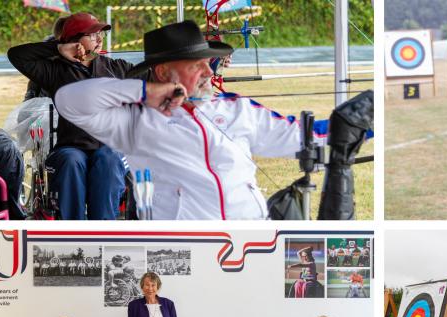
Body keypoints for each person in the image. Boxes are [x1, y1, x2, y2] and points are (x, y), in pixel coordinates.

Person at [53, 20, 331, 220]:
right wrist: (145, 92)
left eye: (207, 64)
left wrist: (361, 120)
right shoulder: (136, 121)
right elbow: (70, 101)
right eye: (195, 65)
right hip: (186, 249)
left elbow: (306, 136)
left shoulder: (237, 108)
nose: (208, 73)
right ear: (163, 72)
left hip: (252, 241)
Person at [8, 12, 140, 219]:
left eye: (100, 34)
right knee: (70, 160)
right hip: (71, 147)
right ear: (74, 40)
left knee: (110, 158)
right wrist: (59, 48)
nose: (99, 39)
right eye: (92, 34)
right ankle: (73, 232)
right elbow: (16, 55)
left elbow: (152, 76)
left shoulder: (115, 67)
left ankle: (103, 230)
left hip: (108, 145)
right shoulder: (55, 71)